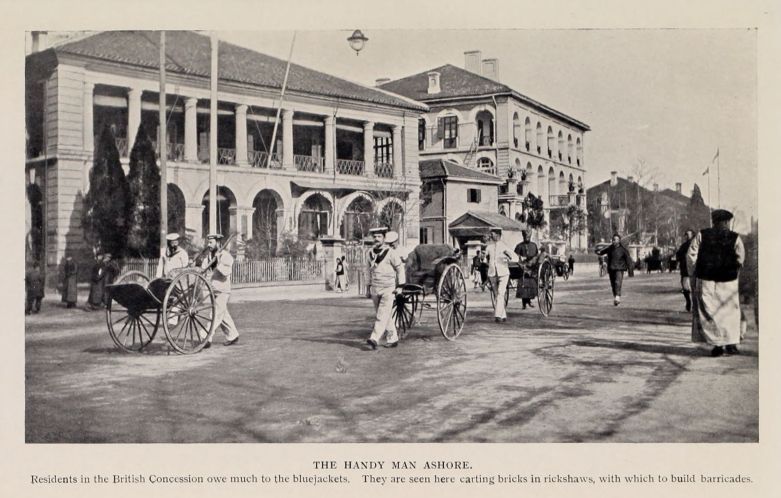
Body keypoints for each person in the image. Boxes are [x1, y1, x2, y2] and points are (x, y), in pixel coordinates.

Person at [687, 209, 745, 357]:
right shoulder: (734, 237)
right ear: (726, 222)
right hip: (728, 280)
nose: (725, 224)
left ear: (714, 221)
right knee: (729, 312)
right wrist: (735, 270)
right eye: (726, 222)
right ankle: (731, 344)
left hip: (706, 279)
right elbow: (740, 257)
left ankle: (717, 344)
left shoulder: (702, 234)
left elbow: (691, 255)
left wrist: (694, 272)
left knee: (709, 311)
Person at [366, 227, 405, 350]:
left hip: (389, 288)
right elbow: (367, 271)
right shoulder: (369, 253)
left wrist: (400, 287)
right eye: (375, 237)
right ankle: (393, 338)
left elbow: (400, 269)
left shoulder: (391, 253)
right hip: (375, 287)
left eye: (379, 236)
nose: (377, 239)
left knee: (381, 314)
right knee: (383, 314)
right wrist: (368, 287)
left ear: (384, 238)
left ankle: (374, 338)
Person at [201, 233, 240, 348]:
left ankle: (206, 337)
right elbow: (203, 270)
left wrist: (218, 261)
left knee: (216, 313)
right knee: (223, 314)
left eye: (211, 242)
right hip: (213, 289)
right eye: (208, 242)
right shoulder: (209, 256)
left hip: (223, 290)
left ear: (218, 243)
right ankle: (233, 335)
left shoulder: (226, 256)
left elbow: (225, 272)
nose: (209, 245)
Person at [596, 234, 634, 306]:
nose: (614, 241)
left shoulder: (623, 250)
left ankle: (617, 297)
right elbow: (602, 252)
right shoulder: (610, 248)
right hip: (611, 268)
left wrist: (630, 271)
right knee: (613, 284)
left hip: (620, 268)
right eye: (613, 239)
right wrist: (598, 252)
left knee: (617, 282)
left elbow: (628, 260)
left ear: (619, 240)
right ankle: (616, 297)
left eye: (615, 239)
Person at [487, 227, 515, 322]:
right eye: (491, 233)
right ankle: (503, 315)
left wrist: (508, 255)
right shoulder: (489, 247)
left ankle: (498, 315)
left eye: (493, 233)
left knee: (500, 293)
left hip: (503, 273)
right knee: (496, 294)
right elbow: (484, 259)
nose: (491, 235)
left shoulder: (504, 246)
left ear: (498, 235)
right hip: (492, 273)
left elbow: (513, 257)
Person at [513, 230, 539, 310]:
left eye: (528, 236)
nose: (527, 238)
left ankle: (529, 301)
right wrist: (522, 264)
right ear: (523, 237)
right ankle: (524, 303)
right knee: (523, 285)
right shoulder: (519, 246)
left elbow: (537, 256)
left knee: (531, 284)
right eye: (525, 237)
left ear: (530, 237)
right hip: (522, 268)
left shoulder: (534, 245)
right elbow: (515, 257)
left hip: (532, 268)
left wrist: (533, 262)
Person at [675, 229, 695, 312]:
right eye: (686, 234)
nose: (687, 236)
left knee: (691, 287)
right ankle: (688, 301)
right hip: (686, 268)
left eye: (688, 234)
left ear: (693, 235)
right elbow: (678, 255)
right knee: (685, 286)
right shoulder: (684, 245)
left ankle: (692, 303)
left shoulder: (695, 244)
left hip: (693, 268)